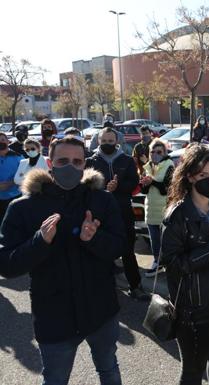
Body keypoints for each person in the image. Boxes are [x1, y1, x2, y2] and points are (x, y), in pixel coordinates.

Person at [0, 136, 126, 385]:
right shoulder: (23, 208)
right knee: (56, 379)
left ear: (84, 164)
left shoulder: (102, 200)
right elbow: (7, 264)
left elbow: (119, 247)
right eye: (63, 160)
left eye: (77, 161)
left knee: (109, 369)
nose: (70, 167)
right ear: (50, 162)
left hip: (100, 310)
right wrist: (39, 241)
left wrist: (94, 238)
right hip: (54, 316)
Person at [160, 144, 209, 385]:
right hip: (193, 312)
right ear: (190, 176)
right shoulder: (177, 215)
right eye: (203, 175)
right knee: (193, 372)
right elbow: (171, 265)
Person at [86, 127, 150, 301]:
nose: (107, 144)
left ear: (117, 142)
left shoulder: (127, 160)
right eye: (104, 141)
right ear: (99, 141)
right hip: (99, 215)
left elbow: (133, 183)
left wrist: (117, 187)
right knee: (100, 250)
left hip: (123, 212)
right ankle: (104, 287)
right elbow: (86, 187)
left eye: (110, 141)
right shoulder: (91, 161)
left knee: (128, 250)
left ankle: (135, 287)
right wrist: (105, 188)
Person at [139, 139, 174, 278]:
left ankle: (167, 263)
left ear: (164, 152)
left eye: (158, 152)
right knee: (154, 239)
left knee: (166, 239)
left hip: (163, 209)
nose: (155, 154)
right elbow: (145, 190)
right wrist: (146, 183)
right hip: (150, 208)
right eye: (152, 152)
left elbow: (166, 189)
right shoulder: (147, 167)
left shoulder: (169, 165)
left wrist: (152, 181)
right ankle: (157, 262)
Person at [0, 133, 22, 220]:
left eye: (2, 140)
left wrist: (11, 182)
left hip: (16, 198)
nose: (0, 142)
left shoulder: (18, 157)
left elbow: (26, 175)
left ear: (8, 142)